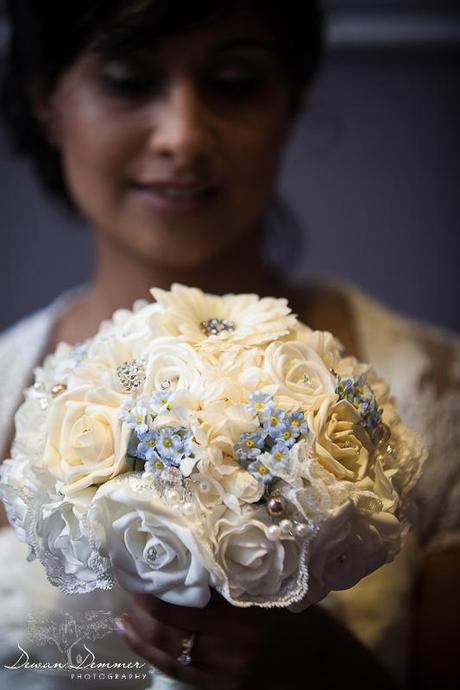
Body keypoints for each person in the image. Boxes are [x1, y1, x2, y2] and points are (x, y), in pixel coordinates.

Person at [0, 2, 459, 689]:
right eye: (129, 80)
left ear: (291, 104)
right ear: (46, 101)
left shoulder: (439, 388)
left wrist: (320, 669)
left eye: (235, 82)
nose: (183, 137)